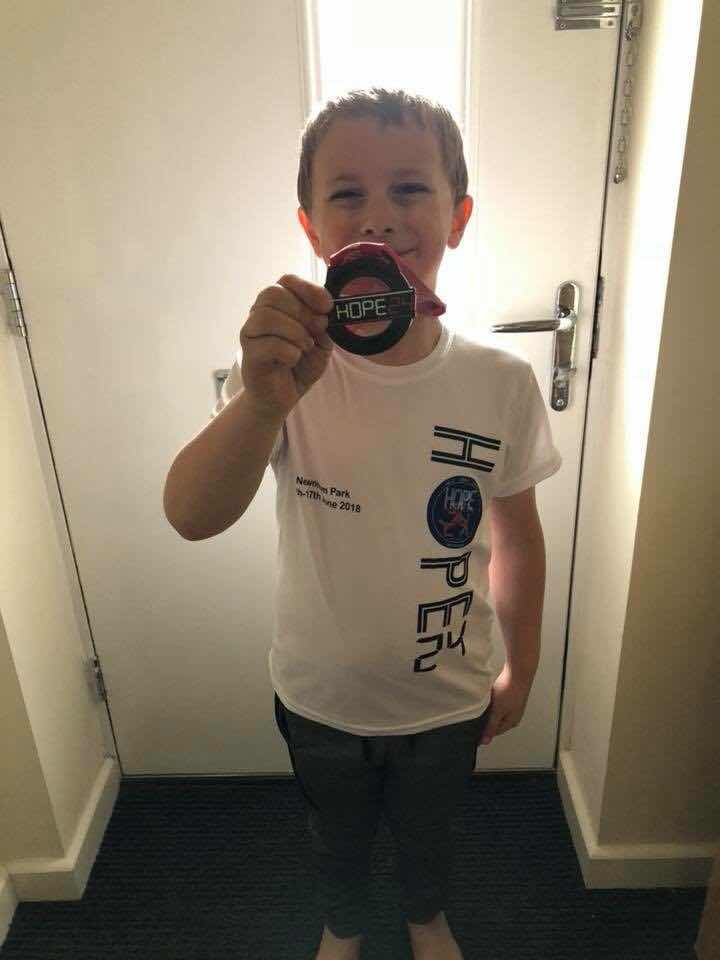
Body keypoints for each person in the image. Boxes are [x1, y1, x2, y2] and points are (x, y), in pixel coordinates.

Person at [164, 87, 562, 960]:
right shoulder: (287, 376)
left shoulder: (499, 383)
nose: (378, 215)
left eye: (409, 188)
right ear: (312, 229)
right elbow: (190, 515)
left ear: (457, 217)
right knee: (333, 835)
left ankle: (425, 916)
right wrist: (260, 402)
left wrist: (523, 666)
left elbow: (519, 538)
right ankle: (342, 922)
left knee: (431, 832)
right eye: (347, 194)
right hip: (321, 696)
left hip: (447, 695)